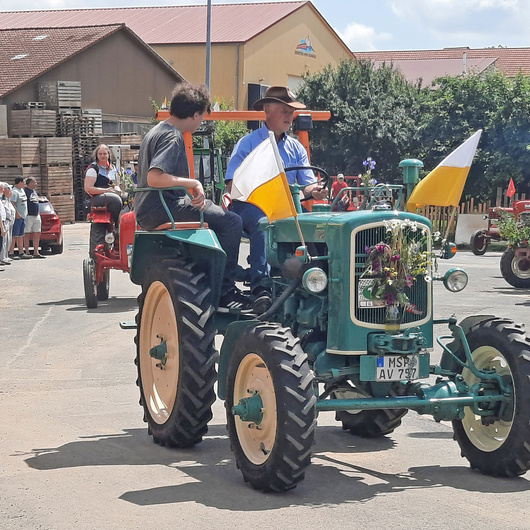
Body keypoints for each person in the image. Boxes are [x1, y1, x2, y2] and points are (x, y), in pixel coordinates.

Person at [134, 82, 251, 312]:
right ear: (195, 114)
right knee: (231, 221)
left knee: (212, 212)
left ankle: (211, 275)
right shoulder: (173, 137)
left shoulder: (155, 131)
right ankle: (226, 291)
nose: (201, 122)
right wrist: (193, 183)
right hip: (162, 206)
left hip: (148, 207)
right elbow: (154, 178)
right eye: (202, 118)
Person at [224, 86, 328, 308]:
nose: (290, 117)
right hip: (250, 204)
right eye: (284, 111)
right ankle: (260, 286)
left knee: (320, 228)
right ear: (267, 111)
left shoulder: (296, 148)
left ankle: (319, 280)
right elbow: (233, 184)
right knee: (264, 221)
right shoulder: (248, 144)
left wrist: (315, 191)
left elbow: (307, 186)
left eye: (292, 112)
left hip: (288, 206)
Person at [84, 144, 123, 224]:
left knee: (127, 197)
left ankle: (123, 223)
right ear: (96, 155)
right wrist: (106, 190)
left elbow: (114, 184)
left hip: (110, 193)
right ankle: (116, 222)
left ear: (108, 155)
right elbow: (88, 188)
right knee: (115, 200)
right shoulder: (93, 169)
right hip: (95, 197)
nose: (102, 156)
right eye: (100, 154)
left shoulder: (112, 168)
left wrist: (118, 190)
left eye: (105, 154)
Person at [23, 177, 45, 258]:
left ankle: (36, 252)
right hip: (28, 215)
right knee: (27, 234)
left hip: (36, 215)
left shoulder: (34, 191)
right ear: (30, 183)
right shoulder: (25, 191)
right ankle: (27, 252)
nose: (36, 184)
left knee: (37, 233)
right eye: (34, 182)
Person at [9, 176, 28, 260]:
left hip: (23, 216)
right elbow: (12, 203)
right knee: (14, 235)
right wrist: (17, 213)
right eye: (23, 181)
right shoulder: (14, 192)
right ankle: (11, 252)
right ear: (19, 182)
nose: (24, 183)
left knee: (21, 235)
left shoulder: (22, 190)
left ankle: (21, 252)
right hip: (17, 217)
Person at [1, 182, 15, 264]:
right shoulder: (2, 200)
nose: (10, 192)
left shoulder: (7, 199)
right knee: (4, 241)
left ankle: (5, 256)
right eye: (8, 190)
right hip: (5, 221)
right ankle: (2, 257)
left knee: (8, 240)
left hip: (9, 221)